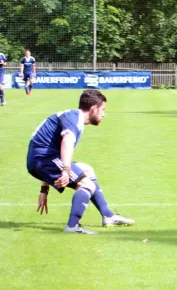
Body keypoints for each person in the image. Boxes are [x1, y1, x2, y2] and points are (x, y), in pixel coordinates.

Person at [27, 89, 135, 234]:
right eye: (103, 109)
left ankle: (108, 215)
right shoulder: (74, 120)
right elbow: (66, 142)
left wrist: (44, 189)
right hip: (44, 159)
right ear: (93, 109)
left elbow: (49, 148)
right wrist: (66, 170)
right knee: (87, 184)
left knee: (87, 170)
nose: (104, 114)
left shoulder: (73, 116)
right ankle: (72, 226)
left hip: (44, 159)